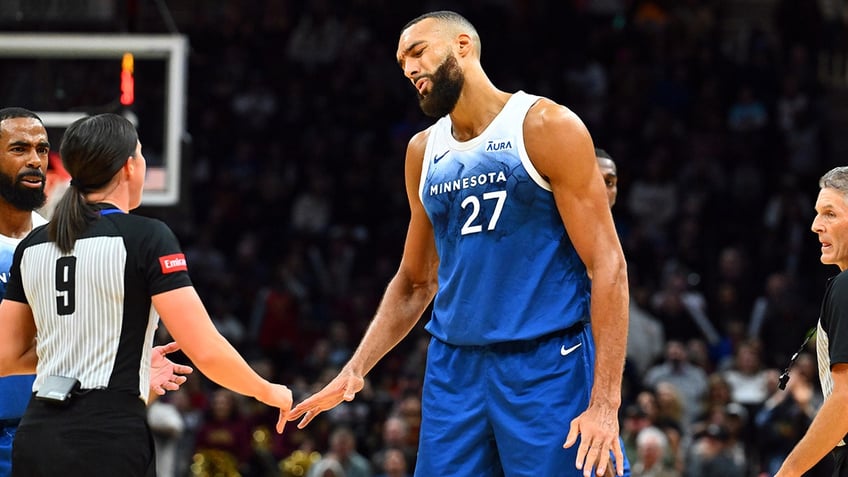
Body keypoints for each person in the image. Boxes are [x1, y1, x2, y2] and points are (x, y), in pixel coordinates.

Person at [289, 11, 630, 477]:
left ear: (463, 46)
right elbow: (414, 282)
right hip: (454, 370)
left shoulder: (546, 125)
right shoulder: (421, 151)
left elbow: (608, 264)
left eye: (417, 51)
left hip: (546, 364)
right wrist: (355, 368)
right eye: (401, 60)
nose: (408, 68)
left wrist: (606, 403)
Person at [0, 112, 293, 476]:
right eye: (140, 155)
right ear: (128, 167)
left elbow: (6, 357)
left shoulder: (32, 244)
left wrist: (117, 351)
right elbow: (205, 350)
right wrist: (268, 391)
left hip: (36, 436)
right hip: (107, 438)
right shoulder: (148, 237)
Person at [0, 107, 192, 477]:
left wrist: (120, 360)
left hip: (48, 432)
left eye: (43, 149)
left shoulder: (57, 239)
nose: (36, 161)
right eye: (20, 149)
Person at [775, 166, 848, 476]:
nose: (816, 225)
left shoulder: (845, 287)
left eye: (830, 213)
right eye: (818, 213)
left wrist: (788, 472)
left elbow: (846, 400)